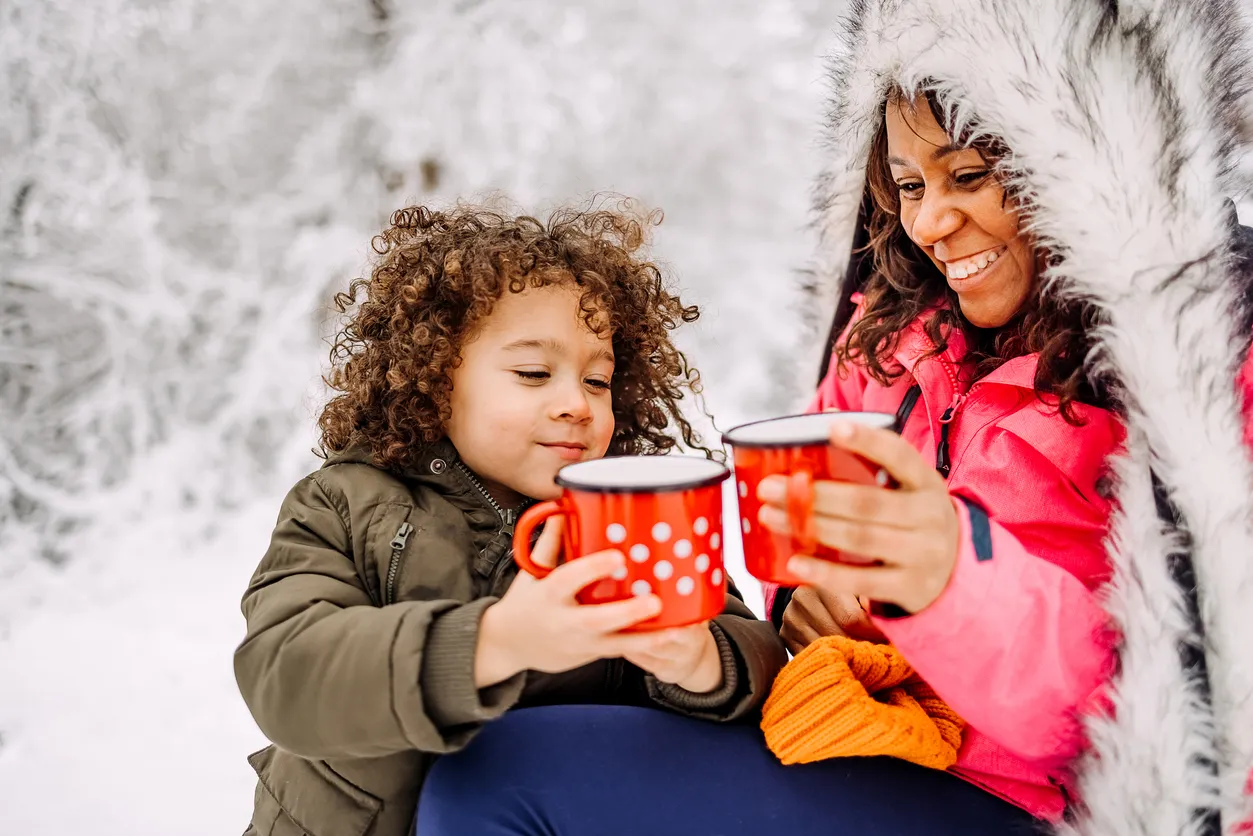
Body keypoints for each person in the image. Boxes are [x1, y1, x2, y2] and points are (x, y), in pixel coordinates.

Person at [415, 2, 1253, 834]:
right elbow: (798, 552)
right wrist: (800, 601)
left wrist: (945, 578)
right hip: (858, 735)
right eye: (910, 185)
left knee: (507, 784)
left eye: (968, 177)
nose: (929, 223)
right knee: (490, 769)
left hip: (1048, 806)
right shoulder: (890, 340)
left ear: (1093, 168)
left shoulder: (1205, 365)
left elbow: (1190, 704)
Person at [232, 202, 787, 836]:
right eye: (533, 373)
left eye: (599, 380)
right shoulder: (345, 504)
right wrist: (496, 641)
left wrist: (701, 661)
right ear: (434, 378)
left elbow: (755, 650)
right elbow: (287, 678)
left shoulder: (627, 516)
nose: (576, 403)